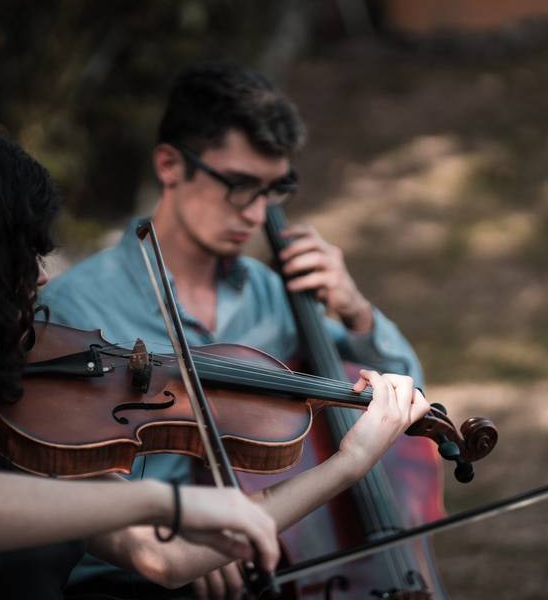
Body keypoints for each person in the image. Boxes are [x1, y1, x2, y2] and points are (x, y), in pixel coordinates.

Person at [0, 118, 429, 600]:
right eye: (20, 259)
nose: (38, 281)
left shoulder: (8, 402)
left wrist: (347, 463)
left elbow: (168, 556)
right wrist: (159, 500)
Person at [40, 64, 429, 599]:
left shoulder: (274, 295)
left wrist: (356, 311)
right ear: (170, 165)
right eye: (240, 185)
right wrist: (177, 533)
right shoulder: (73, 307)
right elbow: (52, 472)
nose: (257, 212)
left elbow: (402, 399)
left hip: (269, 557)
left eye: (275, 189)